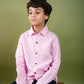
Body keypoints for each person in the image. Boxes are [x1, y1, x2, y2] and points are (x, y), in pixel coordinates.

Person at [11, 0, 61, 84]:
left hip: (47, 80)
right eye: (30, 13)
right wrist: (22, 82)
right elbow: (20, 63)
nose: (33, 15)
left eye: (37, 12)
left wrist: (41, 82)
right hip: (26, 80)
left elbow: (55, 65)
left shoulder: (53, 38)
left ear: (46, 16)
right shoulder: (23, 37)